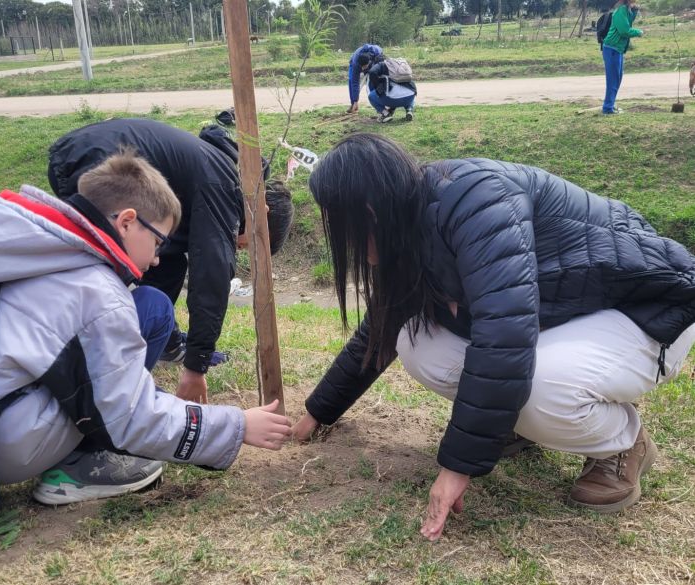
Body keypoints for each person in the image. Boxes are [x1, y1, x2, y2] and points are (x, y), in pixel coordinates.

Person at [292, 133, 695, 542]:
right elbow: (380, 330)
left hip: (647, 310)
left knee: (542, 385)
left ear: (368, 212)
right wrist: (318, 412)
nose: (336, 233)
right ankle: (517, 424)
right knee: (418, 344)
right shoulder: (408, 221)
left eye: (335, 218)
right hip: (569, 315)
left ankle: (622, 443)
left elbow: (504, 332)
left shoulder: (476, 201)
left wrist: (457, 468)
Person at [0, 150, 291, 505]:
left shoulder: (30, 242)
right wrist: (236, 425)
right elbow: (130, 416)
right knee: (118, 396)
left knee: (152, 307)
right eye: (157, 241)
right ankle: (78, 468)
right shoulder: (97, 291)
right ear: (126, 222)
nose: (155, 258)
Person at [48, 118, 295, 404]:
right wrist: (196, 365)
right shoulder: (225, 186)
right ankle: (99, 383)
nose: (239, 248)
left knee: (169, 259)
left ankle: (166, 342)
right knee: (107, 274)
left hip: (84, 150)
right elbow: (212, 273)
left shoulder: (221, 173)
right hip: (96, 161)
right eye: (247, 245)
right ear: (258, 221)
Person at [602, 0, 643, 115]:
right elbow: (624, 31)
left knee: (617, 79)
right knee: (613, 80)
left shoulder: (627, 9)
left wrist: (634, 10)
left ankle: (610, 105)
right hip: (612, 49)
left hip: (617, 49)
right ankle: (607, 108)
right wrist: (639, 32)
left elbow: (628, 22)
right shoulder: (621, 11)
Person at [346, 44, 384, 114]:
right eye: (362, 67)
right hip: (354, 61)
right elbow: (355, 82)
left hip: (375, 59)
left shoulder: (377, 53)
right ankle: (354, 104)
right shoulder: (355, 63)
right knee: (351, 81)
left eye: (365, 66)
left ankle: (379, 104)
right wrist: (355, 100)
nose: (363, 69)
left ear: (369, 61)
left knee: (373, 81)